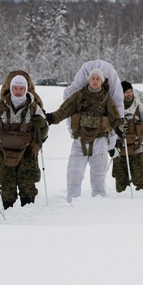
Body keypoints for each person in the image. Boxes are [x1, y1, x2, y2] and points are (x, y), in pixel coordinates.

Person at [46, 67, 122, 202]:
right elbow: (64, 110)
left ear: (101, 81)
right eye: (93, 78)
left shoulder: (106, 99)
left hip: (99, 140)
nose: (95, 81)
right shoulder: (79, 96)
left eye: (98, 79)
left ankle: (100, 200)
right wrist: (52, 118)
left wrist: (119, 128)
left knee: (99, 174)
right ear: (89, 80)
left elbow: (114, 117)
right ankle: (72, 200)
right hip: (80, 139)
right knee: (74, 172)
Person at [0, 72, 48, 209]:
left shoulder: (33, 107)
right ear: (11, 88)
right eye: (16, 88)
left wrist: (42, 124)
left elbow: (43, 132)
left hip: (27, 151)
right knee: (6, 181)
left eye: (21, 89)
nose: (19, 91)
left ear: (26, 89)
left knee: (27, 181)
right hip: (5, 151)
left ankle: (27, 209)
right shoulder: (1, 106)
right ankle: (8, 208)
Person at [114, 81, 143, 193]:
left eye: (130, 91)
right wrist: (113, 144)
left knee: (141, 180)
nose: (129, 94)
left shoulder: (139, 107)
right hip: (120, 150)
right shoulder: (115, 108)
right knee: (121, 184)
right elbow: (110, 129)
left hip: (137, 149)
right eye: (126, 92)